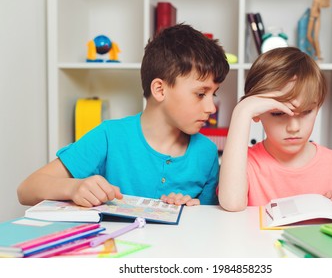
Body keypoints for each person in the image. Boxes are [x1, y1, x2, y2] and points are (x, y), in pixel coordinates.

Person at [18, 24, 230, 208]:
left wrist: (192, 208)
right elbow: (26, 190)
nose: (211, 107)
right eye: (201, 94)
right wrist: (74, 188)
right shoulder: (109, 136)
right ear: (160, 89)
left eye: (214, 94)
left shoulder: (207, 152)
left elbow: (209, 221)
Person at [218, 47, 332, 212]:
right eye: (278, 113)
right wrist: (242, 111)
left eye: (307, 112)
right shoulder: (243, 163)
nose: (294, 128)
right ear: (257, 112)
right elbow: (232, 203)